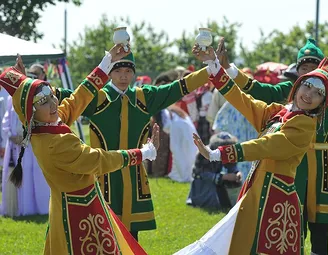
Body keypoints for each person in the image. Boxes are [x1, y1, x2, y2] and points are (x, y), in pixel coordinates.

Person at [217, 33, 328, 255]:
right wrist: (227, 69)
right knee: (292, 216)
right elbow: (255, 90)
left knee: (321, 223)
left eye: (313, 66)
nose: (308, 72)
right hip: (295, 164)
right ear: (298, 72)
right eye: (304, 68)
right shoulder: (289, 92)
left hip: (323, 164)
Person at [175, 42, 328, 255]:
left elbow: (268, 145)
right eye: (307, 85)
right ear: (298, 84)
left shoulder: (305, 126)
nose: (309, 94)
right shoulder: (279, 112)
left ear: (322, 102)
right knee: (235, 246)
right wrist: (215, 68)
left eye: (318, 93)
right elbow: (244, 101)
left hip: (277, 202)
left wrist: (220, 153)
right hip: (255, 193)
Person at [0, 45, 151, 254]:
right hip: (79, 213)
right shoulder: (55, 143)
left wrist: (105, 64)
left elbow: (75, 101)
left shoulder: (42, 126)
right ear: (32, 111)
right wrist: (142, 154)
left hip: (72, 205)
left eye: (52, 96)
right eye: (43, 102)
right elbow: (98, 160)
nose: (53, 104)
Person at [62, 46, 212, 241]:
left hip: (133, 177)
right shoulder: (97, 98)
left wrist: (209, 69)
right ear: (109, 72)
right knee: (102, 234)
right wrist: (24, 85)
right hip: (103, 176)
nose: (123, 76)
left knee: (132, 237)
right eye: (117, 70)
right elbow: (67, 96)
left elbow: (177, 88)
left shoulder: (144, 98)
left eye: (128, 71)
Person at [187, 132, 242, 210]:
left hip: (215, 182)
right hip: (203, 184)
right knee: (213, 203)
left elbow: (231, 166)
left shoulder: (226, 153)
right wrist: (224, 177)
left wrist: (237, 173)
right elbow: (202, 174)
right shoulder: (203, 153)